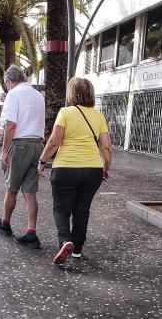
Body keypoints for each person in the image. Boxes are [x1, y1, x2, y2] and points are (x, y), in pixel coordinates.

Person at [37, 77, 112, 265]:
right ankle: (77, 250)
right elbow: (106, 147)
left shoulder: (66, 112)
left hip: (66, 168)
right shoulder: (98, 116)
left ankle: (65, 240)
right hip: (92, 169)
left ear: (72, 93)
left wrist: (42, 161)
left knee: (61, 208)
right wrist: (106, 167)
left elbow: (54, 141)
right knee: (82, 210)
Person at [0, 65, 46, 248]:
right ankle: (32, 232)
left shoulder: (13, 95)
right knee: (30, 191)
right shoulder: (38, 95)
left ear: (9, 81)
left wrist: (4, 152)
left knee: (12, 187)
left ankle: (5, 223)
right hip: (38, 145)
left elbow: (11, 126)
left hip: (20, 145)